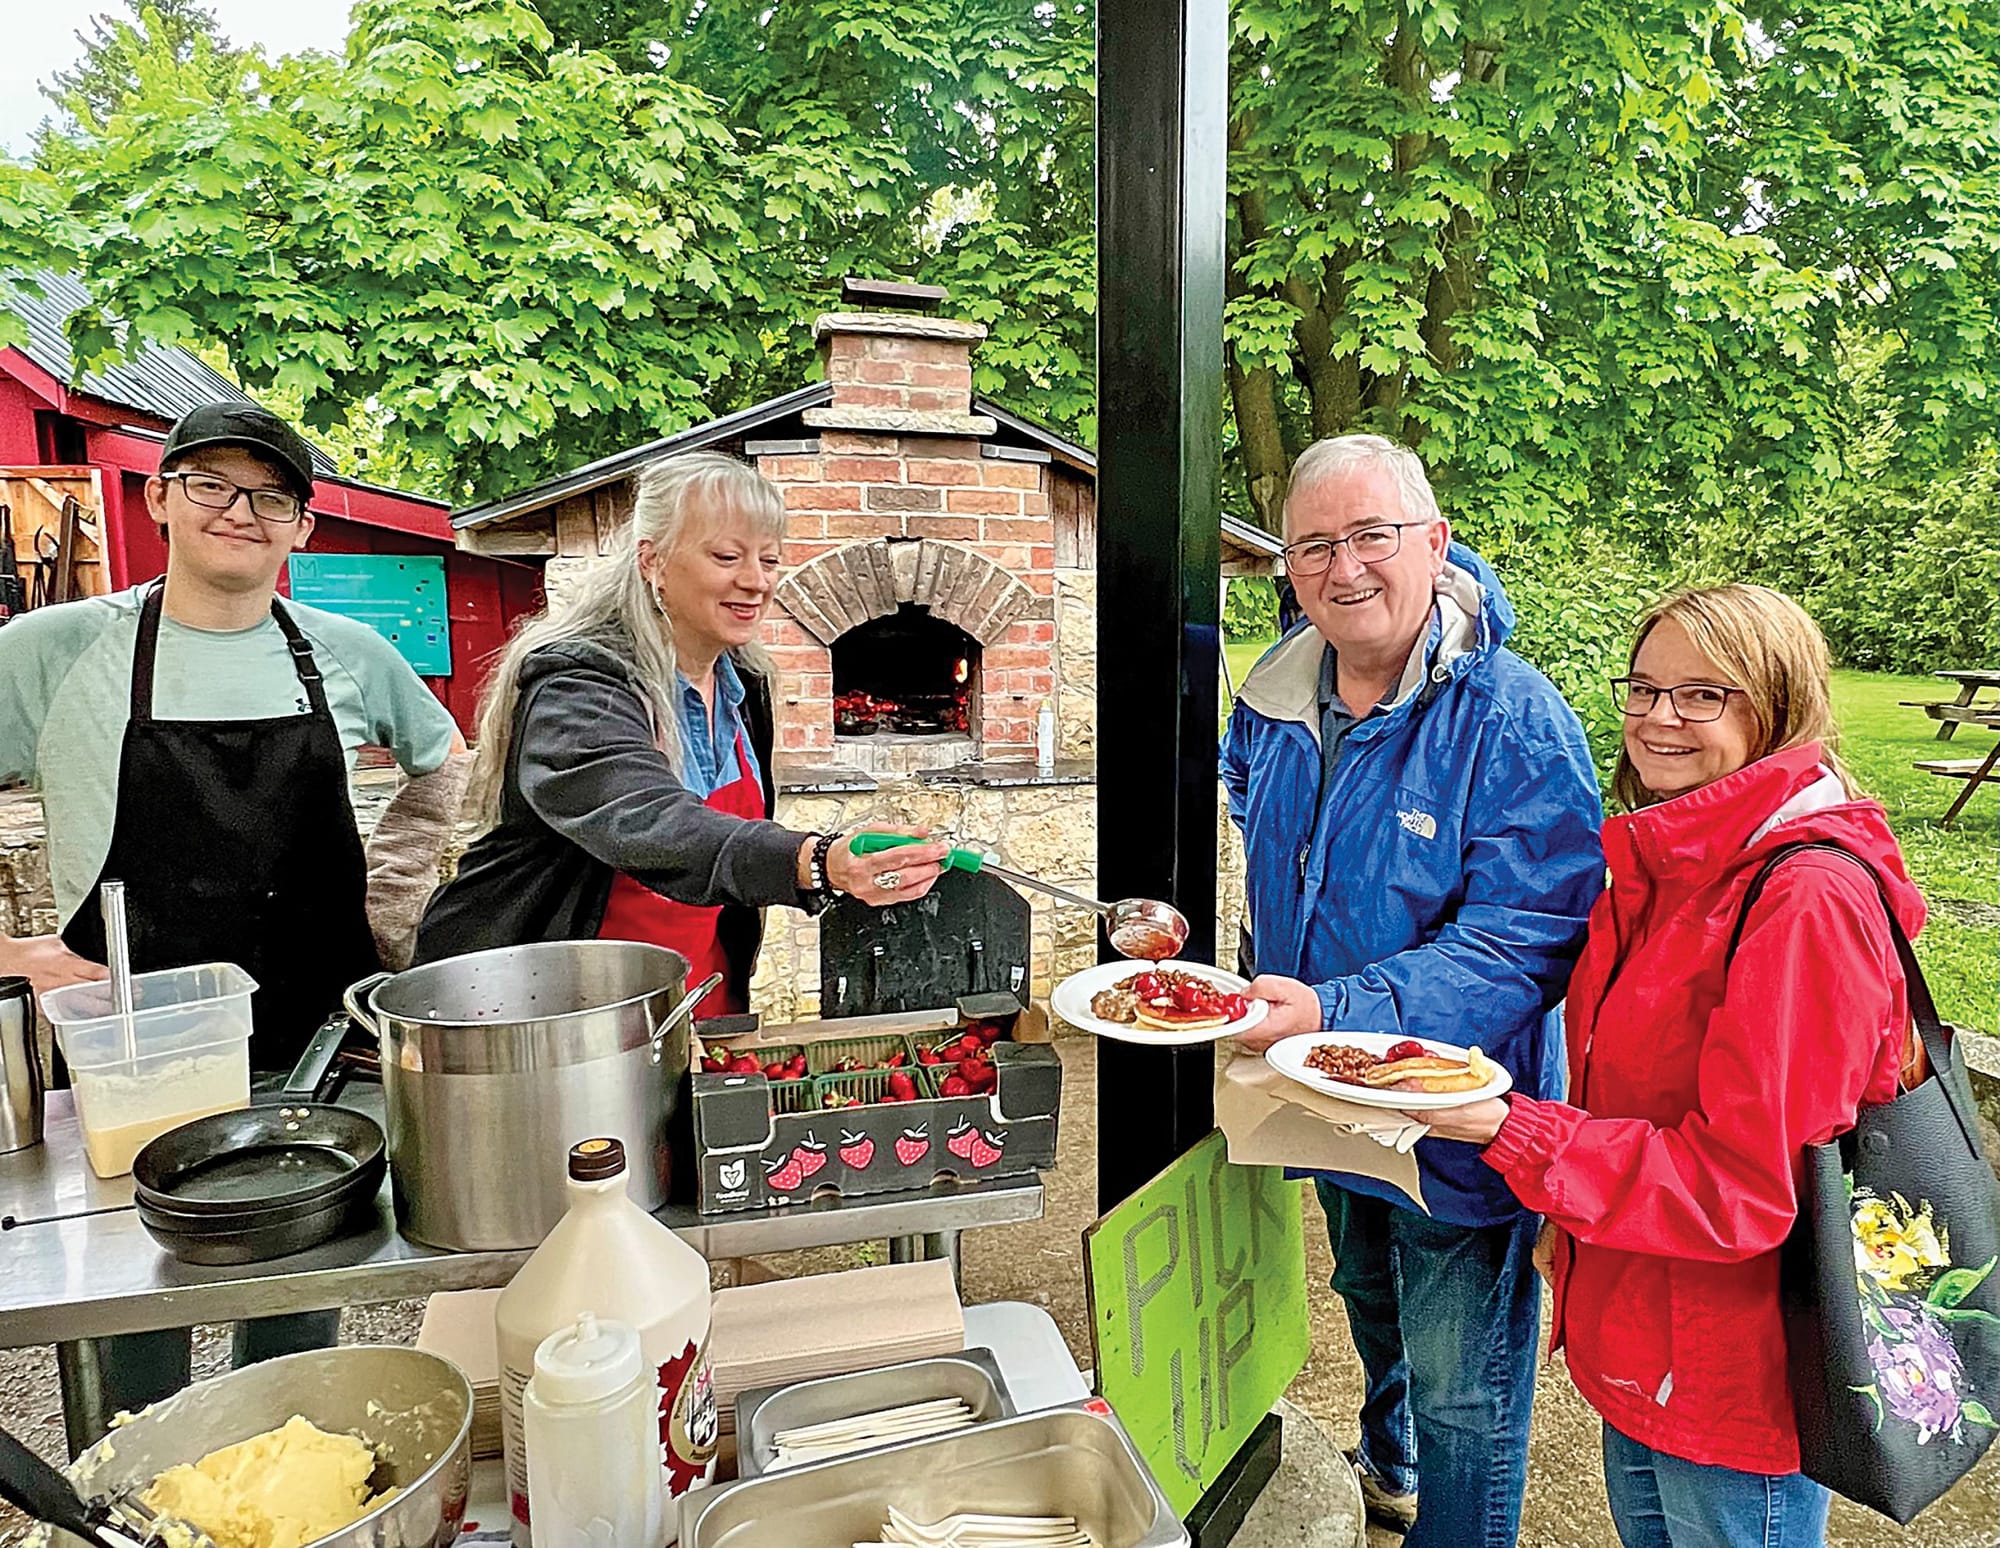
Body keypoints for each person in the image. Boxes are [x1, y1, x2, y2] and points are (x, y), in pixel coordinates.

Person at [0, 400, 469, 1442]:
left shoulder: (349, 653)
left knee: (297, 1295)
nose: (240, 511)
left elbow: (444, 774)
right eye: (209, 483)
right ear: (159, 497)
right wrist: (16, 955)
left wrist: (392, 896)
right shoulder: (53, 649)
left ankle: (283, 1479)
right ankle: (132, 1485)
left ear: (303, 526)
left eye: (271, 496)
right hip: (132, 1048)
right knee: (132, 1312)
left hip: (311, 1041)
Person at [1420, 585, 1924, 1548]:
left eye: (1703, 695)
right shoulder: (1675, 861)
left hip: (1736, 1366)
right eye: (1644, 688)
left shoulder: (1801, 899)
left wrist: (1509, 1128)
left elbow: (1742, 1185)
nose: (1658, 718)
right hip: (1647, 1334)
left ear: (1774, 704)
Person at [1226, 434, 1605, 1546]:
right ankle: (1385, 1465)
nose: (1342, 569)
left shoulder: (1510, 716)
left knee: (1461, 1389)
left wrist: (1336, 1012)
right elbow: (1258, 817)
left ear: (1433, 544)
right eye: (1311, 547)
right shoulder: (1272, 694)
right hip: (1320, 1087)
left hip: (1450, 1112)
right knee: (1367, 1299)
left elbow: (1522, 941)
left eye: (1368, 537)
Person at [417, 452, 947, 994]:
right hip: (549, 1003)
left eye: (769, 561)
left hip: (694, 984)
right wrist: (817, 861)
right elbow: (652, 823)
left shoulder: (745, 683)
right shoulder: (578, 683)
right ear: (653, 562)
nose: (755, 582)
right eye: (726, 556)